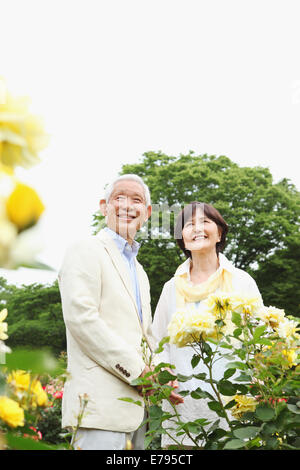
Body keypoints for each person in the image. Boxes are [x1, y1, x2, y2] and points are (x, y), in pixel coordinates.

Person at [58, 174, 180, 451]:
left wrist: (162, 375)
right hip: (99, 409)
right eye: (119, 198)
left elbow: (146, 336)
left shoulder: (140, 272)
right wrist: (141, 373)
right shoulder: (85, 249)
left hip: (139, 413)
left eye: (136, 200)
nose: (127, 205)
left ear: (147, 213)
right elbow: (82, 319)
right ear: (104, 207)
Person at [152, 201, 263, 448]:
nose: (197, 228)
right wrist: (162, 375)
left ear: (219, 233)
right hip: (183, 410)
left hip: (234, 408)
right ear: (182, 237)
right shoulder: (170, 289)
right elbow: (156, 341)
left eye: (205, 222)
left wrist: (262, 382)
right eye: (189, 224)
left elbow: (261, 337)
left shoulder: (242, 282)